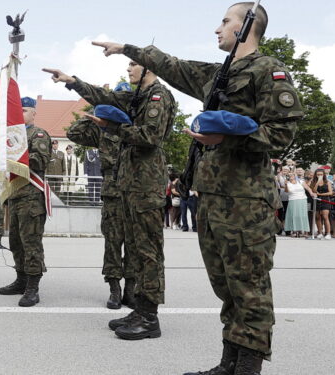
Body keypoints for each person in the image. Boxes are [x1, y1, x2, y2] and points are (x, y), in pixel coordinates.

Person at [86, 1, 304, 372]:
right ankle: (229, 362)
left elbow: (282, 132)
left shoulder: (269, 70)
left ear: (247, 27)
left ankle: (248, 367)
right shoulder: (221, 74)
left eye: (224, 21)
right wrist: (127, 49)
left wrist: (227, 138)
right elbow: (174, 66)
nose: (217, 29)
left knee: (248, 287)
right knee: (226, 286)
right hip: (215, 196)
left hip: (246, 198)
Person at [43, 56, 175, 340]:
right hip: (130, 182)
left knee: (147, 251)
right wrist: (72, 81)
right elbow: (104, 96)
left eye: (132, 65)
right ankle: (139, 309)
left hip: (145, 183)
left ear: (148, 67)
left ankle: (149, 318)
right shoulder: (137, 97)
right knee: (137, 249)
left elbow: (150, 136)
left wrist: (114, 127)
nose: (128, 69)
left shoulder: (157, 96)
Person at [67, 112, 136, 310]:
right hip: (112, 195)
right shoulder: (102, 131)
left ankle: (130, 289)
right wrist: (95, 114)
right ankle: (115, 290)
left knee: (133, 244)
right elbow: (74, 133)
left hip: (133, 193)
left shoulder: (136, 128)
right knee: (112, 244)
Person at [0, 97, 52, 307]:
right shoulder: (10, 136)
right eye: (18, 110)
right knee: (16, 243)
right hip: (15, 195)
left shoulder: (37, 134)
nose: (21, 114)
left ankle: (33, 287)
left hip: (32, 196)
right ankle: (20, 280)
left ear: (34, 113)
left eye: (26, 110)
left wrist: (18, 155)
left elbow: (41, 161)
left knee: (31, 243)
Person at [310, 168, 333, 239]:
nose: (319, 176)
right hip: (316, 201)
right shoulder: (313, 182)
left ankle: (328, 233)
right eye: (318, 174)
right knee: (317, 217)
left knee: (325, 216)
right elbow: (313, 191)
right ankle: (320, 232)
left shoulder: (327, 182)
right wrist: (317, 183)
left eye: (321, 174)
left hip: (325, 200)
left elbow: (330, 192)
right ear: (315, 175)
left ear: (324, 175)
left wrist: (321, 194)